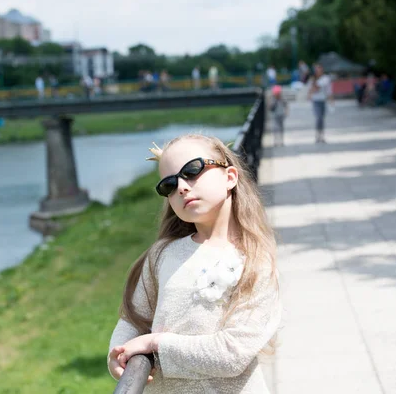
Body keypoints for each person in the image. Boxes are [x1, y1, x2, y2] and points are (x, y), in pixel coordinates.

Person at [108, 134, 281, 393]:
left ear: (230, 177)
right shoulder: (162, 254)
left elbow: (232, 354)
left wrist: (156, 344)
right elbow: (134, 318)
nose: (181, 187)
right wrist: (118, 353)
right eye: (169, 184)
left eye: (192, 170)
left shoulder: (256, 261)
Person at [307, 63, 333, 143]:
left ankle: (321, 135)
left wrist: (331, 100)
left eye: (319, 69)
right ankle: (317, 135)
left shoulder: (325, 79)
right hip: (316, 101)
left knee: (322, 119)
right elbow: (310, 89)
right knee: (318, 118)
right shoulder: (313, 79)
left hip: (323, 100)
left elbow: (328, 90)